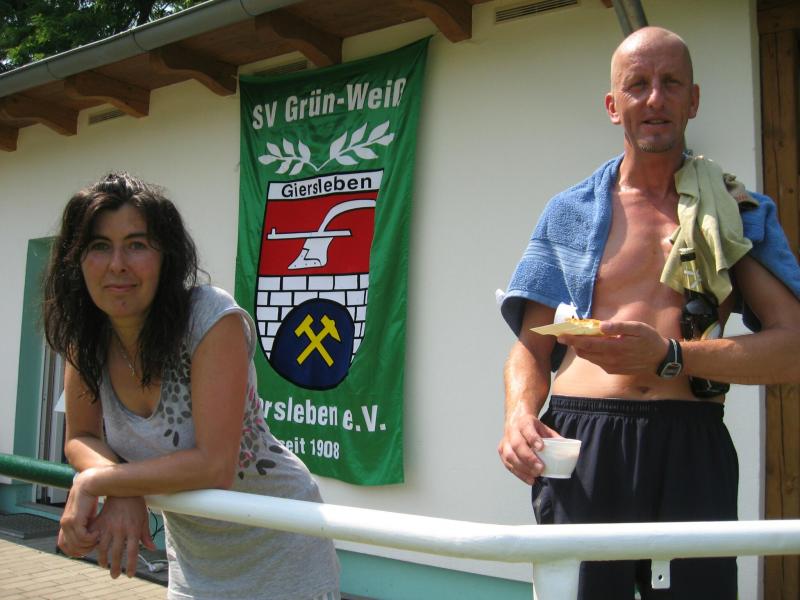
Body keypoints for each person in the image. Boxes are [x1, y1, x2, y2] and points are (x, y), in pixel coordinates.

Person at [498, 26, 800, 600]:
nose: (655, 98)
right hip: (583, 440)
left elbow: (793, 350)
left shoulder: (736, 216)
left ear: (694, 99)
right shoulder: (570, 211)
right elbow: (531, 347)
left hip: (692, 446)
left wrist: (671, 356)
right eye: (637, 85)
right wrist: (518, 414)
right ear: (613, 105)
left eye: (671, 83)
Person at [43, 172, 340, 599]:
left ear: (166, 257)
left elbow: (214, 466)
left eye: (137, 244)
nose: (117, 264)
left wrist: (100, 483)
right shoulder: (85, 338)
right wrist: (119, 485)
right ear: (77, 260)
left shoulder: (208, 318)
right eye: (99, 246)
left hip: (282, 546)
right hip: (195, 564)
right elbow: (81, 437)